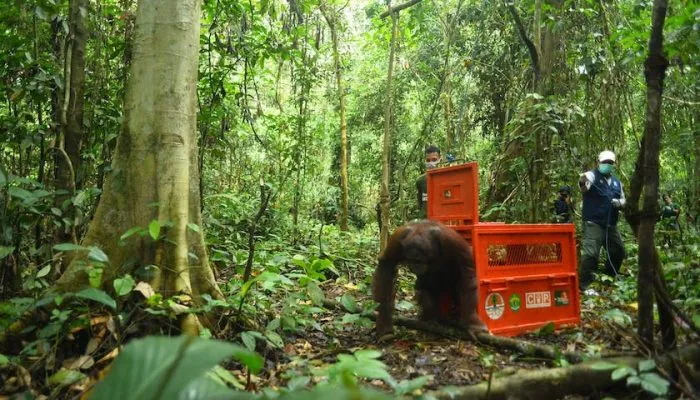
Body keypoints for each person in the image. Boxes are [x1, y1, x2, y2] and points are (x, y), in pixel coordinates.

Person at [578, 150, 626, 295]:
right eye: (605, 162)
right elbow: (583, 186)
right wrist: (582, 180)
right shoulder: (592, 175)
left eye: (610, 163)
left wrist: (619, 203)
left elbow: (624, 200)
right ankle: (584, 284)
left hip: (611, 224)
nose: (607, 165)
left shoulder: (617, 182)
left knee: (618, 251)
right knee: (591, 253)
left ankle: (608, 277)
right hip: (594, 222)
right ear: (599, 162)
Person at [416, 145, 442, 218]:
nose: (431, 163)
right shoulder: (420, 181)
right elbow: (420, 204)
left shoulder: (447, 177)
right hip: (425, 221)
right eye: (428, 160)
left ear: (440, 160)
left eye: (434, 160)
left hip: (443, 220)